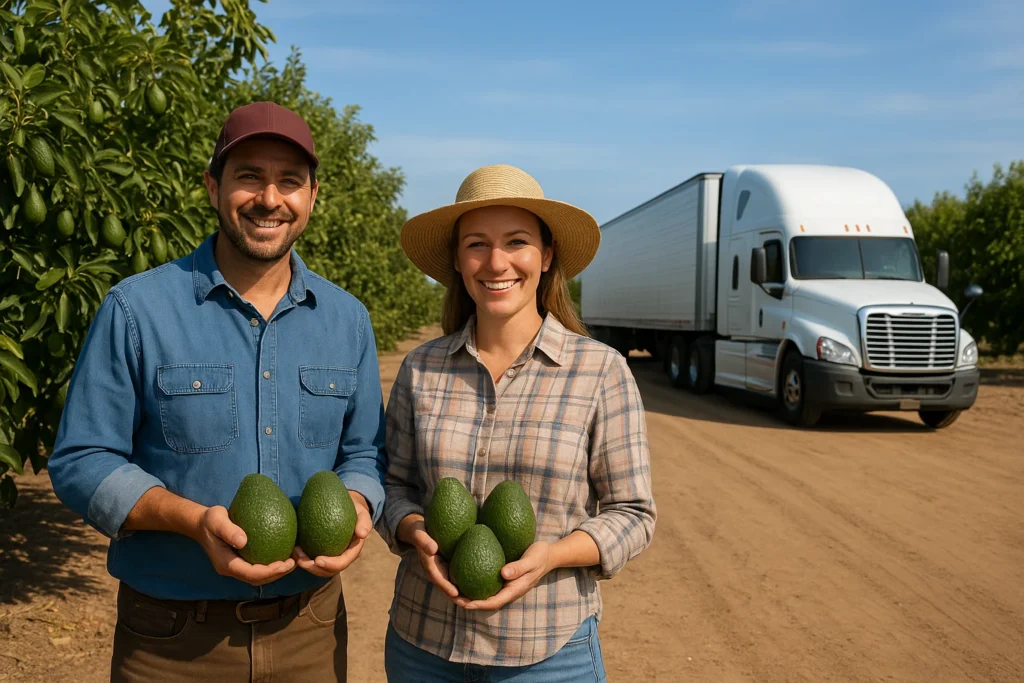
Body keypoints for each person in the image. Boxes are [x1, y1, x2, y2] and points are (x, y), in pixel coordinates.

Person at [47, 101, 387, 682]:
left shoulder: (347, 320)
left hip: (310, 631)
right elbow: (82, 459)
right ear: (213, 186)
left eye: (289, 182)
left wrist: (355, 504)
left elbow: (362, 453)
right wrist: (191, 521)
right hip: (172, 643)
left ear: (312, 196)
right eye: (248, 176)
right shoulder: (135, 310)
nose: (269, 198)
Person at [378, 163, 657, 681]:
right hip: (424, 644)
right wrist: (416, 530)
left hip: (549, 653)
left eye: (517, 241)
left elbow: (633, 513)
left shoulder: (600, 371)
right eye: (477, 244)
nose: (496, 261)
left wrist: (551, 556)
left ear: (546, 256)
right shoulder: (422, 367)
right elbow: (393, 485)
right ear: (459, 261)